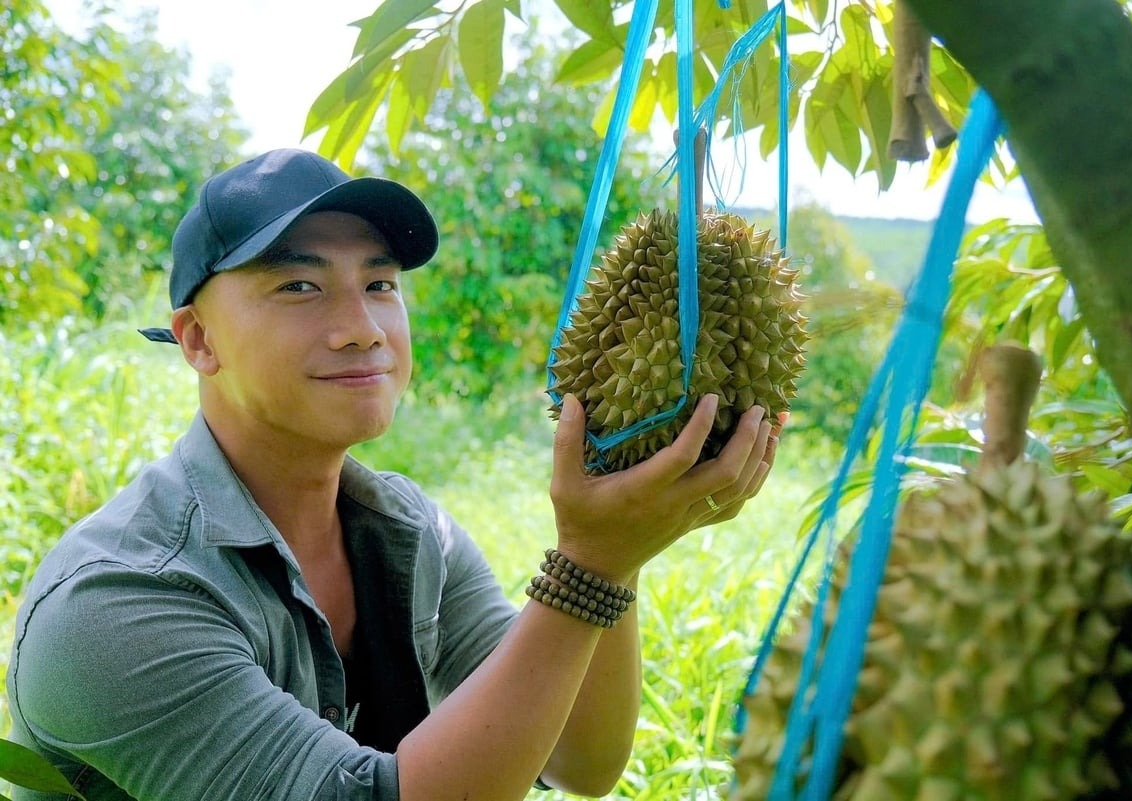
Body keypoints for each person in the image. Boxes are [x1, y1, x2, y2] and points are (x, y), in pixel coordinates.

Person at [7, 149, 782, 801]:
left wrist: (621, 542)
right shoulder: (114, 602)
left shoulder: (411, 531)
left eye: (380, 285)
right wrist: (590, 563)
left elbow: (581, 759)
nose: (363, 330)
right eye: (300, 287)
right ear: (199, 338)